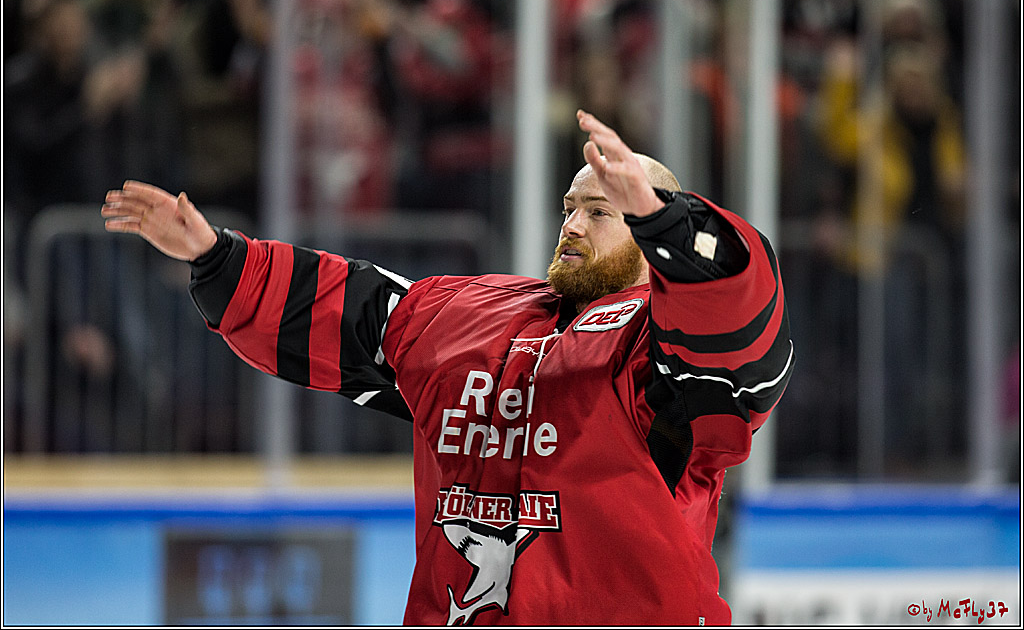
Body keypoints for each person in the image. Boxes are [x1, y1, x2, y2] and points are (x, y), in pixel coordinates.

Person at [101, 110, 793, 625]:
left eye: (602, 211)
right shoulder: (470, 315)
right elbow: (346, 306)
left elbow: (738, 327)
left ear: (648, 241)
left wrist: (663, 216)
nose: (573, 225)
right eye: (569, 208)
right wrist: (216, 257)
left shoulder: (659, 349)